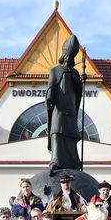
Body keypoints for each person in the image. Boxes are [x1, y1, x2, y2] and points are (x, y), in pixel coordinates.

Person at [46, 34, 83, 173]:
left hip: (70, 107)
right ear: (64, 56)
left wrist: (82, 81)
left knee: (70, 134)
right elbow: (51, 87)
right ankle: (56, 161)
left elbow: (78, 90)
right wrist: (49, 99)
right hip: (59, 108)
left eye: (70, 58)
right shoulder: (55, 70)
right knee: (56, 131)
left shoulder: (75, 72)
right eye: (67, 58)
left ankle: (74, 162)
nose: (68, 60)